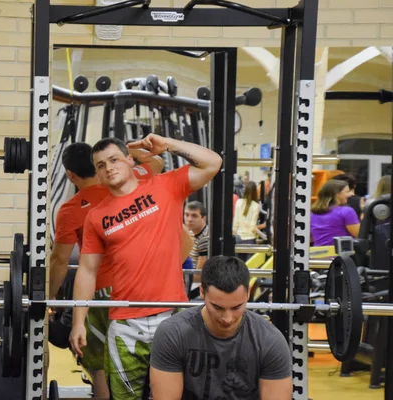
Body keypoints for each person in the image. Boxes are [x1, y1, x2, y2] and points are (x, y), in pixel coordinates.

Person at [70, 134, 222, 399]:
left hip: (171, 317)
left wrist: (168, 144)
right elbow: (87, 270)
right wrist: (78, 322)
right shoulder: (96, 216)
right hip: (124, 324)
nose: (109, 168)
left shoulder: (166, 186)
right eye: (101, 165)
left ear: (130, 160)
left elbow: (213, 162)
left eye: (114, 159)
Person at [48, 141, 164, 397]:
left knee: (97, 363)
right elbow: (157, 163)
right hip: (145, 288)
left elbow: (59, 261)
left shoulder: (69, 210)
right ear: (96, 165)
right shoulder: (131, 178)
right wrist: (127, 153)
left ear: (70, 175)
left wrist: (51, 296)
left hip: (103, 294)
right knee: (152, 360)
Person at [149, 256, 293, 400]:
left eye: (237, 307)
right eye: (217, 307)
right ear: (201, 292)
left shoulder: (270, 341)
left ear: (248, 293)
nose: (227, 319)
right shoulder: (173, 333)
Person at [310, 179, 360, 246]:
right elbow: (359, 235)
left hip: (316, 253)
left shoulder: (313, 212)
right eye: (347, 192)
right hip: (339, 254)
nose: (350, 195)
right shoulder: (347, 211)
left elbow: (311, 237)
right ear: (337, 194)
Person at [233, 181, 263, 262]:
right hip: (250, 239)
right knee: (250, 265)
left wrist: (234, 233)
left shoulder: (238, 202)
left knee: (239, 264)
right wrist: (263, 235)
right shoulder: (256, 206)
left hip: (239, 238)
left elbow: (235, 222)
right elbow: (253, 227)